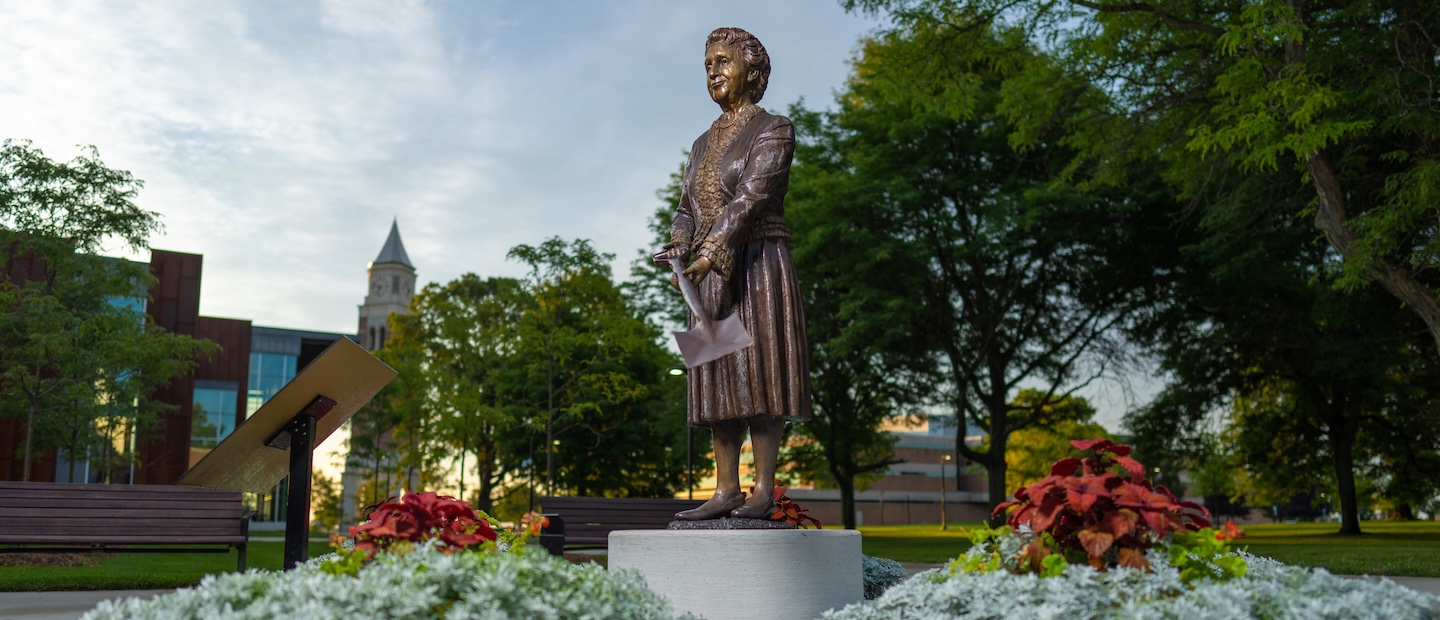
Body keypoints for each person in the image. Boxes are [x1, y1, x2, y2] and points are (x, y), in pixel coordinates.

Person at [658, 27, 812, 521]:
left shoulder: (775, 128)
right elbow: (687, 207)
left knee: (761, 372)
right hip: (706, 274)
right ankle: (726, 489)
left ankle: (763, 490)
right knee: (714, 376)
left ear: (753, 70)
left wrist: (709, 252)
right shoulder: (701, 142)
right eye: (707, 66)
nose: (714, 73)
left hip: (756, 264)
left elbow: (750, 198)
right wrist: (681, 245)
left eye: (723, 62)